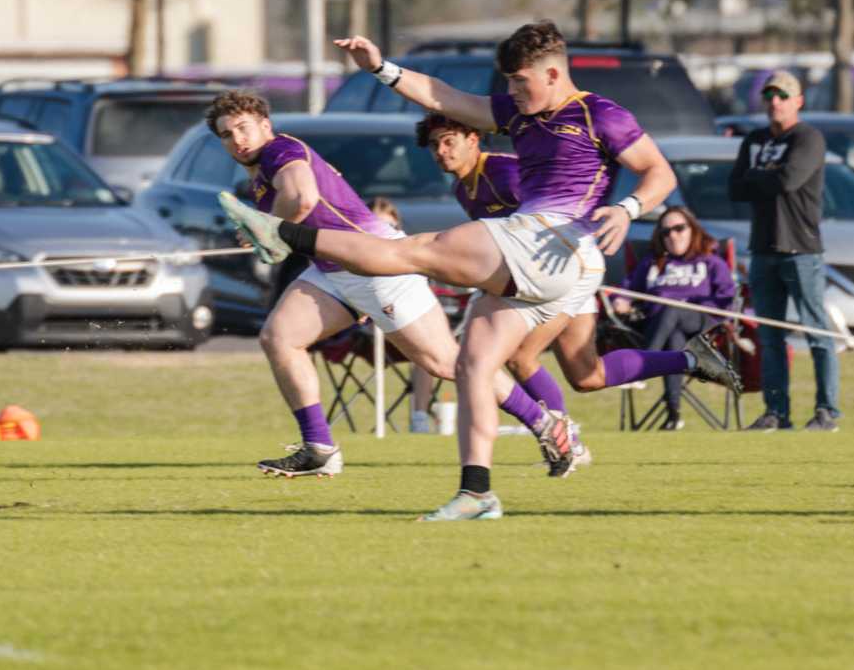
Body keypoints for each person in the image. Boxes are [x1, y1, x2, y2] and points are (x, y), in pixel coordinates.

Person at [221, 21, 737, 521]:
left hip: (557, 241)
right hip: (537, 257)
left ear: (554, 74)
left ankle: (282, 234)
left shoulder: (598, 113)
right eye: (509, 82)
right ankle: (478, 492)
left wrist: (628, 209)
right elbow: (444, 98)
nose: (513, 92)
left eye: (521, 82)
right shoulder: (515, 116)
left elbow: (659, 171)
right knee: (476, 365)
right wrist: (381, 67)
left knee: (411, 251)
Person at [205, 91, 577, 482]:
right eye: (227, 134)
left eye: (244, 128)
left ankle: (547, 425)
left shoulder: (280, 151)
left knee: (447, 363)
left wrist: (269, 231)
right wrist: (264, 228)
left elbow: (301, 198)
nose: (237, 139)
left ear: (266, 125)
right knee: (279, 338)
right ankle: (319, 448)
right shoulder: (260, 172)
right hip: (332, 269)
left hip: (378, 264)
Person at [417, 113, 577, 423]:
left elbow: (548, 214)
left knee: (534, 361)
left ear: (473, 140)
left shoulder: (502, 172)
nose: (441, 151)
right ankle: (689, 359)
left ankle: (563, 438)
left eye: (449, 141)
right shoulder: (463, 190)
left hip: (559, 268)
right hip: (527, 277)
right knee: (583, 373)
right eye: (435, 145)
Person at [728, 69, 841, 432]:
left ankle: (827, 411)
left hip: (801, 250)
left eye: (782, 95)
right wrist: (767, 179)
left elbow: (789, 181)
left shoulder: (809, 138)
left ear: (798, 101)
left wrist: (759, 179)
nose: (775, 101)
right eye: (770, 95)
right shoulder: (755, 140)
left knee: (816, 332)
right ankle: (777, 411)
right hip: (762, 248)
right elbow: (735, 187)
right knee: (770, 336)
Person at [604, 206, 739, 430]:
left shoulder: (710, 261)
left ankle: (639, 367)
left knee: (672, 310)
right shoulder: (653, 262)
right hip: (658, 327)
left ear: (692, 230)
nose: (673, 236)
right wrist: (621, 300)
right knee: (673, 338)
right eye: (666, 232)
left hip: (702, 328)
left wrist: (695, 304)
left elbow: (727, 297)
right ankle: (673, 415)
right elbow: (627, 289)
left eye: (679, 229)